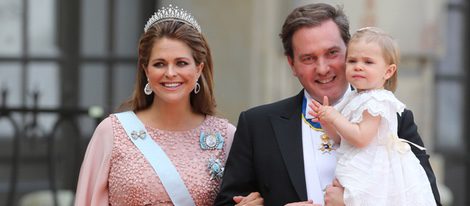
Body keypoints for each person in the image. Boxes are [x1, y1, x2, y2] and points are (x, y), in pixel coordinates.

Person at [215, 3, 441, 206]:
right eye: (308, 58)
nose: (322, 68)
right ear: (292, 64)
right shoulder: (257, 125)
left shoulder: (391, 117)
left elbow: (425, 199)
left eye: (332, 53)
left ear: (349, 51)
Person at [74, 5, 263, 205]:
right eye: (159, 64)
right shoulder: (112, 133)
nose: (170, 73)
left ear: (199, 69)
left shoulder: (226, 137)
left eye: (181, 63)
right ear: (146, 70)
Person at [308, 27, 436, 205]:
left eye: (368, 62)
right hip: (358, 162)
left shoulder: (377, 100)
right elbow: (340, 138)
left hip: (373, 168)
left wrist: (335, 118)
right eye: (352, 61)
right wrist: (326, 122)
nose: (358, 66)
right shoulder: (355, 97)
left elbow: (360, 138)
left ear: (388, 71)